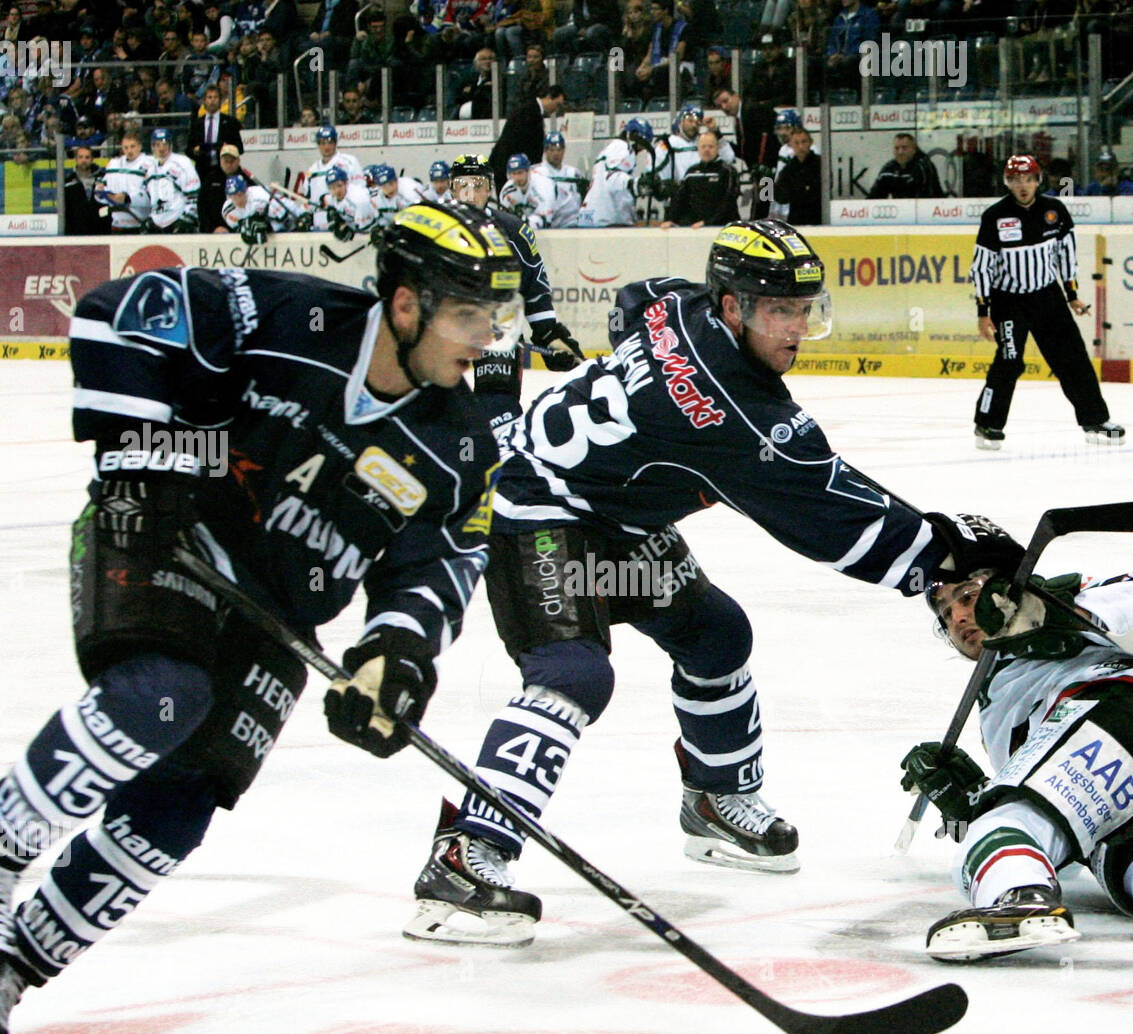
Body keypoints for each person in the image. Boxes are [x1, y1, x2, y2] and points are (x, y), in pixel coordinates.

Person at [0, 202, 525, 1034]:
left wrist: (396, 654)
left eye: (495, 317)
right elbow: (118, 312)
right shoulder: (284, 317)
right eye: (467, 315)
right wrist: (136, 456)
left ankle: (7, 969)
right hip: (172, 531)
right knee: (162, 693)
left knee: (180, 810)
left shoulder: (460, 444)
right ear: (406, 304)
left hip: (276, 616)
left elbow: (440, 563)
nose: (486, 338)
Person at [398, 216, 1026, 947]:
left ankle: (717, 801)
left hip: (610, 513)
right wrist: (945, 557)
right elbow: (836, 522)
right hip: (531, 507)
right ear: (730, 307)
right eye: (778, 311)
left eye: (803, 308)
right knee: (572, 674)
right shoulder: (731, 413)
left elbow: (635, 299)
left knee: (716, 634)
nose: (795, 326)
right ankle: (465, 855)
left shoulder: (678, 306)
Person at [900, 568, 1133, 962]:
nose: (956, 617)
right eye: (945, 612)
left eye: (967, 597)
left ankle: (1019, 899)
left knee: (1002, 825)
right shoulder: (997, 696)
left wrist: (1057, 611)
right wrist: (975, 803)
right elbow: (1065, 830)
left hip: (1121, 708)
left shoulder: (1062, 596)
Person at [970, 155, 1122, 451]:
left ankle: (1095, 419)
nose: (1022, 185)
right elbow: (981, 267)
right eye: (1015, 179)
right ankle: (987, 422)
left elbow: (1066, 255)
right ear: (1007, 182)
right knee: (1010, 362)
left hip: (1047, 297)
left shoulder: (1055, 210)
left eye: (1028, 179)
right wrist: (983, 313)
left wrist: (1072, 295)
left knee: (1073, 358)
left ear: (1038, 181)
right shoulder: (995, 216)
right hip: (1008, 300)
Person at [446, 153, 582, 426]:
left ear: (489, 188)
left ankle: (500, 458)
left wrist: (547, 333)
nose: (470, 192)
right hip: (442, 332)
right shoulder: (431, 229)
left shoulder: (513, 231)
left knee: (499, 411)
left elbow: (534, 288)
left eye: (477, 183)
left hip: (495, 330)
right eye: (463, 184)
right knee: (438, 411)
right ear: (452, 188)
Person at [578, 117, 655, 227]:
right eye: (643, 143)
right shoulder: (624, 148)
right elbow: (612, 177)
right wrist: (636, 184)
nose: (642, 149)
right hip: (606, 218)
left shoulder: (612, 147)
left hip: (592, 215)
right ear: (633, 136)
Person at [488, 83, 567, 188]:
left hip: (508, 165)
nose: (556, 110)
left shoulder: (531, 109)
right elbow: (527, 144)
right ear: (548, 97)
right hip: (508, 167)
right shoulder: (529, 111)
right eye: (557, 105)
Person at [661, 130, 739, 227]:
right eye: (703, 146)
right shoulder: (691, 172)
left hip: (723, 228)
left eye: (710, 146)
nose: (706, 150)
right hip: (696, 228)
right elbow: (680, 199)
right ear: (698, 148)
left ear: (717, 148)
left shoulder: (728, 172)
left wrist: (708, 223)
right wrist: (671, 220)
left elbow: (728, 203)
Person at [303, 123, 365, 230]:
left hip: (344, 223)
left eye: (330, 142)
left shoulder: (349, 162)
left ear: (335, 143)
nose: (326, 146)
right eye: (322, 143)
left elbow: (361, 192)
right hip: (318, 225)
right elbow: (309, 200)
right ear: (318, 145)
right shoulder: (312, 170)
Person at [96, 128, 154, 232]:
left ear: (140, 146)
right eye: (126, 147)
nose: (129, 150)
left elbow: (154, 195)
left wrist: (128, 198)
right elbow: (101, 189)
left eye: (133, 146)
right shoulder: (114, 164)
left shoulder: (150, 164)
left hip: (141, 224)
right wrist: (101, 193)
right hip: (117, 224)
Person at [145, 126, 201, 232]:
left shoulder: (183, 163)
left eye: (165, 144)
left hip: (177, 221)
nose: (161, 148)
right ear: (152, 147)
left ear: (171, 145)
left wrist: (187, 219)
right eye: (158, 144)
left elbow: (194, 195)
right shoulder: (151, 169)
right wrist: (151, 218)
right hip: (158, 225)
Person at [187, 82, 243, 177]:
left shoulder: (230, 122)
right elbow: (188, 149)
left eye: (215, 97)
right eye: (209, 97)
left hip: (224, 171)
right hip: (202, 171)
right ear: (204, 101)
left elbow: (240, 148)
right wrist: (195, 151)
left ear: (220, 101)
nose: (212, 100)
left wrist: (228, 149)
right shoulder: (197, 123)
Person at [533, 131, 588, 228]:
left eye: (559, 149)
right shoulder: (537, 173)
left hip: (572, 225)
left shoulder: (574, 173)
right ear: (545, 151)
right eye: (552, 150)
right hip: (547, 224)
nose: (556, 153)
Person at [866, 133, 943, 199]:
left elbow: (926, 198)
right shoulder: (888, 169)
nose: (900, 152)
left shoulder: (923, 166)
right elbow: (874, 197)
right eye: (897, 148)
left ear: (914, 150)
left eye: (904, 148)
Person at [772, 125, 822, 224]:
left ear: (810, 142)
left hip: (818, 216)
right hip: (796, 219)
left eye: (804, 142)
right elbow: (780, 196)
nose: (800, 147)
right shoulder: (788, 169)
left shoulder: (821, 164)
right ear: (791, 144)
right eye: (796, 143)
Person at [499, 151, 557, 229]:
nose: (517, 178)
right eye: (513, 173)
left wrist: (524, 221)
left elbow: (546, 220)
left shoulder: (543, 186)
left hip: (557, 221)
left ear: (528, 171)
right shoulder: (507, 192)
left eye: (520, 173)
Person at [64, 144, 112, 235]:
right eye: (81, 157)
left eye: (87, 157)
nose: (83, 160)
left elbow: (109, 202)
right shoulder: (68, 181)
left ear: (92, 159)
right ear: (76, 159)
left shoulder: (103, 178)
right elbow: (66, 209)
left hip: (101, 229)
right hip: (76, 231)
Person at [322, 164, 379, 238]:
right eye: (332, 187)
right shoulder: (332, 197)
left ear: (346, 183)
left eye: (339, 185)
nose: (336, 190)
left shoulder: (359, 200)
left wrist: (349, 232)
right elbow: (325, 200)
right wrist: (338, 224)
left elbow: (365, 231)